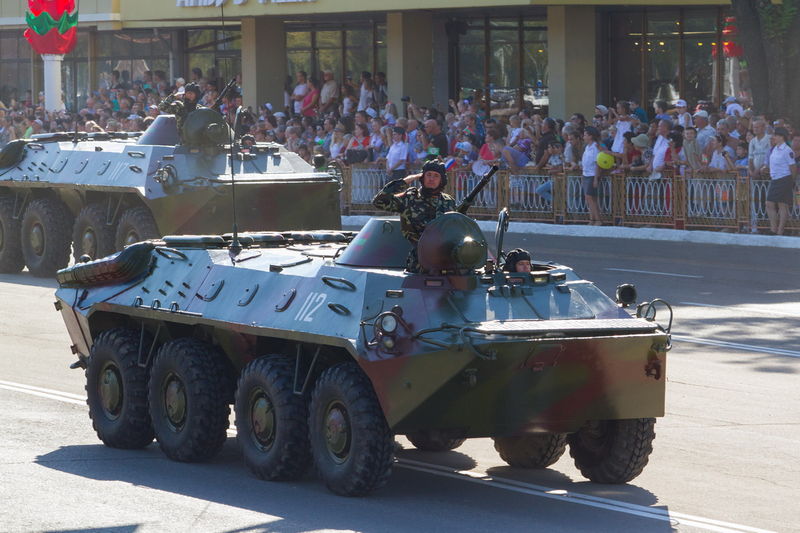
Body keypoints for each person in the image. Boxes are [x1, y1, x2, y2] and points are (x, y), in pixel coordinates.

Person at [372, 160, 456, 272]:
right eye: (428, 175)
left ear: (442, 180)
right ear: (422, 176)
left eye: (436, 176)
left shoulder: (448, 201)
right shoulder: (409, 198)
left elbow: (456, 229)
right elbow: (379, 201)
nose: (431, 179)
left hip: (445, 262)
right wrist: (405, 181)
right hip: (419, 262)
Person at [765, 127, 796, 235]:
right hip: (775, 178)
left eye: (776, 135)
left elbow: (793, 167)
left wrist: (792, 181)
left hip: (784, 178)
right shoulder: (775, 148)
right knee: (775, 204)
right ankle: (776, 229)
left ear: (781, 137)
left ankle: (778, 230)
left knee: (777, 204)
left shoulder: (787, 150)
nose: (774, 137)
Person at [582, 126, 602, 225]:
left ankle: (597, 219)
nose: (584, 137)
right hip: (586, 173)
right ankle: (592, 218)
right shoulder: (587, 147)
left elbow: (597, 163)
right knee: (589, 197)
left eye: (585, 135)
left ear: (590, 136)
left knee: (591, 197)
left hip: (592, 174)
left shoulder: (595, 147)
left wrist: (595, 179)